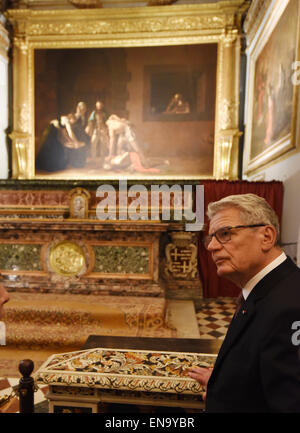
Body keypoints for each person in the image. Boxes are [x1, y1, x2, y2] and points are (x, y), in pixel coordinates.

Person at [189, 193, 300, 412]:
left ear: (266, 237)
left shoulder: (290, 307)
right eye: (211, 237)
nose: (211, 247)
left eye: (225, 234)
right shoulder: (265, 290)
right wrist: (227, 382)